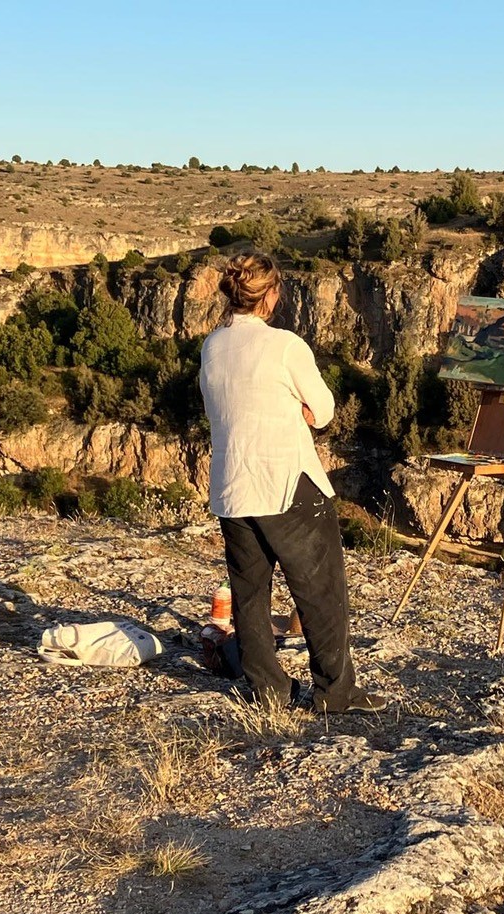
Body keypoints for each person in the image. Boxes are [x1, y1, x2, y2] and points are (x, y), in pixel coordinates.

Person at [199, 251, 385, 713]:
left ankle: (267, 688)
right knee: (319, 589)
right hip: (285, 480)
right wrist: (298, 411)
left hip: (232, 483)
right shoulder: (285, 345)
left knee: (249, 592)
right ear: (272, 295)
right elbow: (322, 410)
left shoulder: (212, 346)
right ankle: (334, 692)